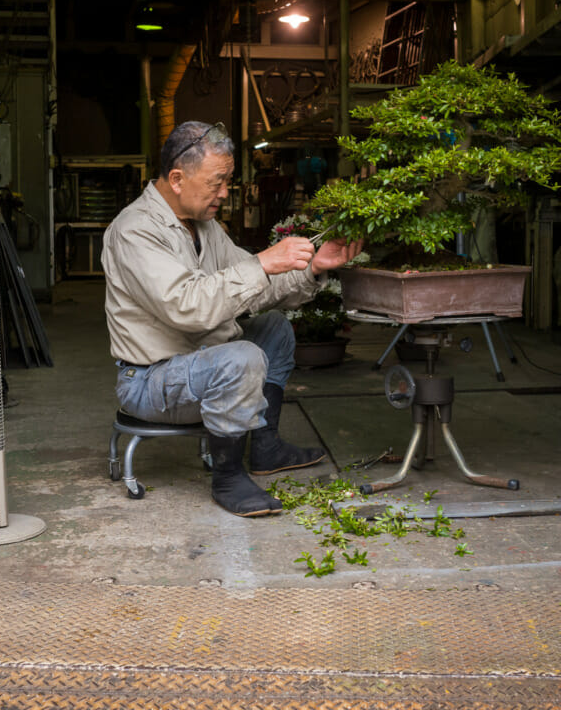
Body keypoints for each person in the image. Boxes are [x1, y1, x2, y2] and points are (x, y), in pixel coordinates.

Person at [102, 121, 364, 517]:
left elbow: (256, 286)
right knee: (241, 357)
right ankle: (228, 477)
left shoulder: (205, 227)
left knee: (274, 329)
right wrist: (262, 263)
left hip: (199, 363)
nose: (225, 193)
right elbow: (187, 308)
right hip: (150, 380)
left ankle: (265, 444)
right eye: (217, 182)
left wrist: (312, 268)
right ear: (177, 178)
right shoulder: (134, 232)